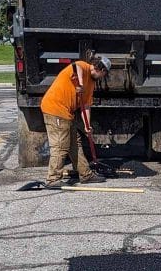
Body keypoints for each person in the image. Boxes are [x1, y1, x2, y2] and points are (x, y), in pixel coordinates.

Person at [40, 56, 110, 188]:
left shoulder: (92, 83)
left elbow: (87, 106)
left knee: (74, 144)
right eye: (103, 74)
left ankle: (86, 174)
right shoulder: (83, 66)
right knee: (61, 145)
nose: (102, 77)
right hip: (55, 108)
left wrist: (87, 126)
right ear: (100, 68)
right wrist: (81, 84)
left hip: (66, 113)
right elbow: (75, 65)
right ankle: (53, 179)